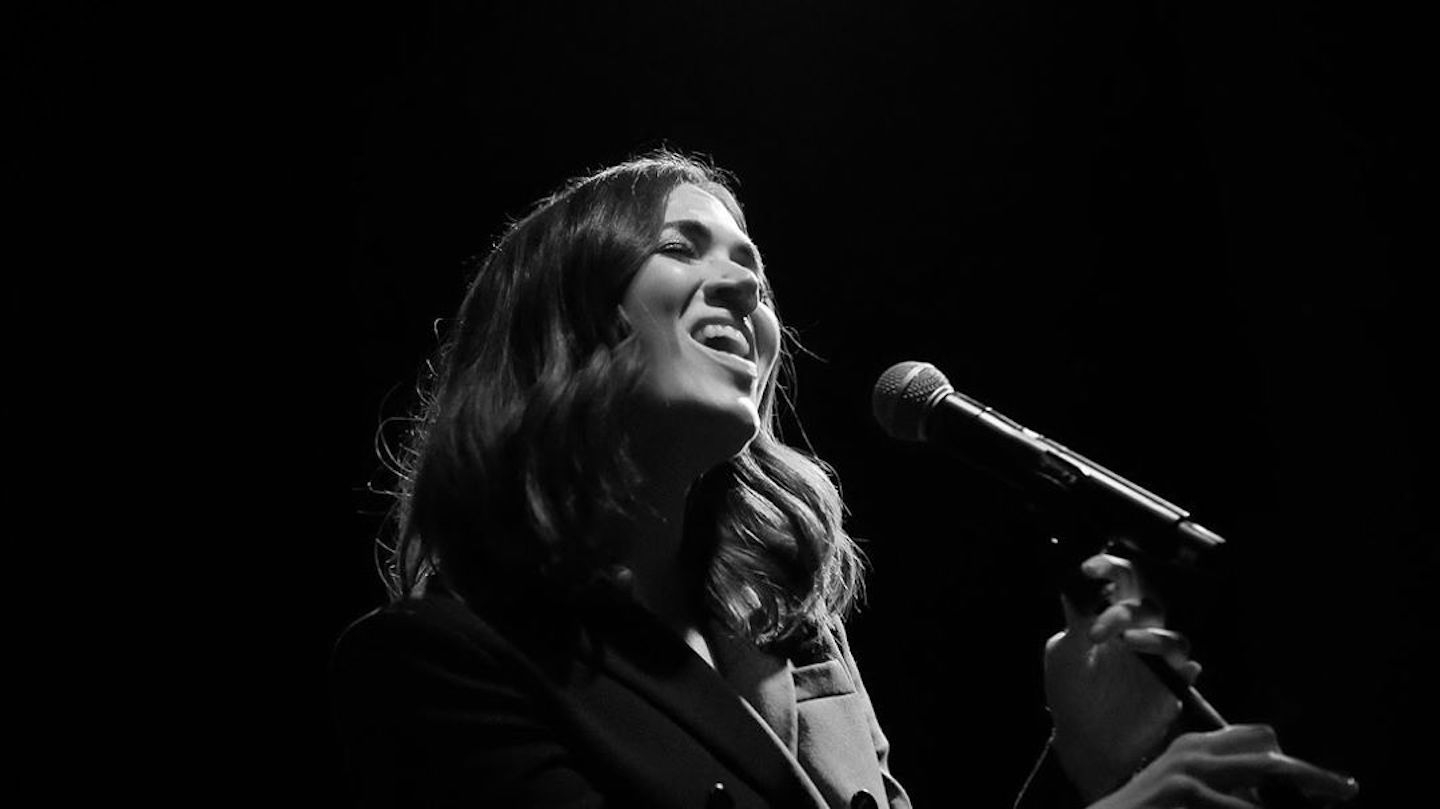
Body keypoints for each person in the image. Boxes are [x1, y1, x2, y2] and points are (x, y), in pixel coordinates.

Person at [331, 152, 1359, 808]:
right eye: (681, 247)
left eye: (753, 265)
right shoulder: (437, 668)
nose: (745, 281)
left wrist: (1082, 760)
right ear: (562, 325)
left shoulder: (792, 642)